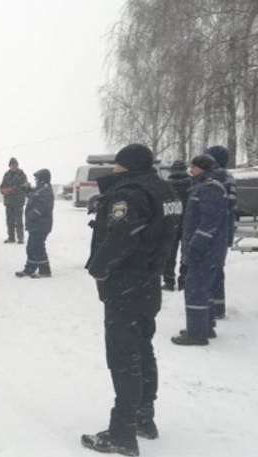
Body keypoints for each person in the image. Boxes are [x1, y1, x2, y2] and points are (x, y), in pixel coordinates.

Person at [82, 144, 181, 456]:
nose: (113, 169)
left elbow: (121, 236)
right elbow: (167, 234)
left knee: (124, 356)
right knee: (142, 348)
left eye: (117, 164)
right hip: (148, 280)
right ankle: (143, 417)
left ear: (125, 165)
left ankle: (122, 432)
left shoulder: (130, 193)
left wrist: (98, 268)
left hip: (126, 281)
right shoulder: (166, 191)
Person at [171, 154, 229, 346]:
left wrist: (196, 245)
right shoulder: (202, 186)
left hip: (205, 250)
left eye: (193, 167)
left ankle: (196, 334)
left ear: (202, 168)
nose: (190, 171)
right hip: (207, 248)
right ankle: (205, 326)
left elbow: (209, 222)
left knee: (196, 289)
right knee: (205, 288)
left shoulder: (209, 188)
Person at [203, 146, 237, 319]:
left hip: (215, 231)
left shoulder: (217, 178)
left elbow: (218, 206)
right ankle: (217, 305)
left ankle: (214, 307)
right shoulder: (228, 177)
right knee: (216, 268)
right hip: (223, 230)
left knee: (212, 269)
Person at [16, 169, 54, 278]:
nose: (35, 180)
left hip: (41, 225)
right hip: (36, 225)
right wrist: (27, 190)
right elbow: (33, 196)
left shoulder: (46, 190)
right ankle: (34, 269)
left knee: (35, 247)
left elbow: (43, 206)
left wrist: (32, 215)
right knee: (35, 247)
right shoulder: (40, 189)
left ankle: (41, 270)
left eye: (37, 178)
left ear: (42, 179)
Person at [162, 161, 192, 291]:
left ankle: (168, 281)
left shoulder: (165, 185)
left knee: (169, 254)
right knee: (186, 253)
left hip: (170, 223)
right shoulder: (192, 184)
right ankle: (184, 281)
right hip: (187, 223)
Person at [0, 157, 29, 244]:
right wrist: (3, 190)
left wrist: (11, 190)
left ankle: (20, 238)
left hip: (18, 201)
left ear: (17, 165)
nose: (13, 166)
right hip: (8, 202)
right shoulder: (6, 174)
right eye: (11, 165)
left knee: (18, 220)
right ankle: (11, 237)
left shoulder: (21, 174)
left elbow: (24, 187)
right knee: (9, 220)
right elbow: (1, 186)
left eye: (14, 164)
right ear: (9, 166)